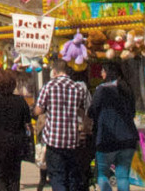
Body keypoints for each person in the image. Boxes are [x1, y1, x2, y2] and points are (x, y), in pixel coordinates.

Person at [35, 58, 90, 191]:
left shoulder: (49, 86)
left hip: (53, 140)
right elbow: (82, 110)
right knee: (71, 177)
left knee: (57, 176)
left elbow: (38, 110)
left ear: (54, 71)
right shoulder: (77, 88)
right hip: (72, 140)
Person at [90, 63, 138, 191]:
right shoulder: (127, 88)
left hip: (107, 138)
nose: (101, 73)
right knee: (123, 176)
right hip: (128, 138)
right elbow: (133, 112)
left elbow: (92, 111)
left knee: (102, 174)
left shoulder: (102, 89)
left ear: (107, 72)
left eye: (102, 71)